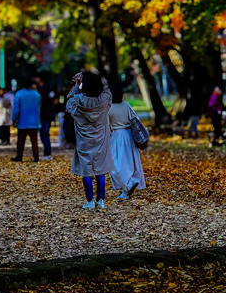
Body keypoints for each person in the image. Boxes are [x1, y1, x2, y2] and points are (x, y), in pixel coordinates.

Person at [67, 70, 113, 209]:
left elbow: (68, 100)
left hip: (83, 140)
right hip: (101, 139)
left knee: (86, 170)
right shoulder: (104, 100)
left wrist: (77, 84)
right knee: (100, 169)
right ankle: (101, 200)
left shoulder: (77, 100)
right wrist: (100, 78)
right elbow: (108, 90)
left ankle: (89, 200)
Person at [108, 81, 146, 200]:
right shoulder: (126, 105)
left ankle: (129, 184)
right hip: (129, 135)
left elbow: (107, 125)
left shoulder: (109, 108)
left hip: (117, 136)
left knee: (115, 164)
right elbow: (134, 118)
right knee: (129, 161)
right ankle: (128, 187)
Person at [11, 78, 42, 162]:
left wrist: (14, 119)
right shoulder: (36, 94)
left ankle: (19, 156)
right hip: (34, 121)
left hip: (22, 121)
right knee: (34, 141)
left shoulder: (19, 94)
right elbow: (39, 106)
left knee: (21, 141)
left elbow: (16, 108)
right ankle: (36, 157)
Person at [38, 77, 58, 160]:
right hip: (49, 116)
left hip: (43, 116)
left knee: (44, 135)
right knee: (46, 135)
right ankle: (48, 152)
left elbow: (41, 104)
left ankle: (47, 152)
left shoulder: (42, 91)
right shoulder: (50, 92)